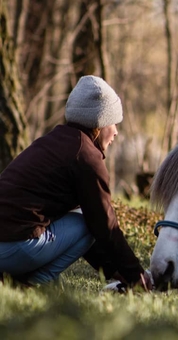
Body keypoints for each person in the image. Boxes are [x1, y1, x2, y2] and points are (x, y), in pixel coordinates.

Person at [0, 75, 152, 290]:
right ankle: (26, 284)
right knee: (85, 220)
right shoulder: (86, 157)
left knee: (82, 218)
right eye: (114, 123)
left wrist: (114, 270)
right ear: (99, 123)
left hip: (6, 243)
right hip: (12, 248)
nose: (116, 132)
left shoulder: (54, 141)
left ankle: (16, 279)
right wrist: (136, 276)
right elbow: (103, 225)